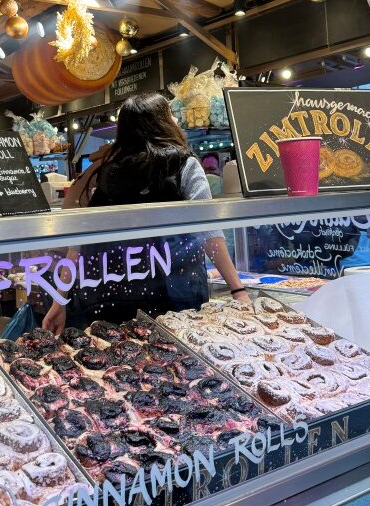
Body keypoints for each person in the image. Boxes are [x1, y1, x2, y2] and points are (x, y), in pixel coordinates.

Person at [43, 93, 249, 333]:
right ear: (162, 122)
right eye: (169, 114)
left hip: (113, 297)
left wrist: (60, 300)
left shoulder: (109, 172)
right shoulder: (184, 165)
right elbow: (208, 231)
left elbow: (79, 243)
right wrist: (237, 289)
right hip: (176, 296)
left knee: (124, 366)